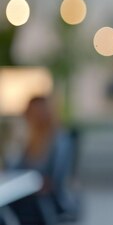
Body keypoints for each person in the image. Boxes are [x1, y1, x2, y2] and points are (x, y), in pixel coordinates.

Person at [6, 96, 79, 224]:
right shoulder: (26, 138)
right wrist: (19, 140)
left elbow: (58, 178)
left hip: (47, 197)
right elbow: (11, 168)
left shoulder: (59, 139)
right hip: (24, 192)